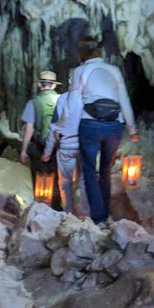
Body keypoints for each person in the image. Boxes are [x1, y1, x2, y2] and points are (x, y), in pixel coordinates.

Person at [48, 37, 139, 226]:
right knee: (105, 171)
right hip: (114, 126)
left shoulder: (80, 70)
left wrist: (60, 127)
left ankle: (99, 219)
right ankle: (105, 213)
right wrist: (132, 129)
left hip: (91, 126)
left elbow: (72, 104)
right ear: (98, 52)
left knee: (90, 172)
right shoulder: (114, 70)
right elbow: (124, 100)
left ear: (81, 53)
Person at [42, 77, 89, 219]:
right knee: (85, 181)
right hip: (85, 147)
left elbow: (54, 127)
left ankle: (69, 213)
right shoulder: (89, 99)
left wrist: (47, 151)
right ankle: (87, 214)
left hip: (66, 147)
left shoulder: (62, 99)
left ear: (69, 80)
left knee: (66, 182)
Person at [19, 70, 60, 174]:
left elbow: (29, 130)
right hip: (59, 144)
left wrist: (24, 150)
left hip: (39, 144)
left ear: (38, 84)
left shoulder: (33, 103)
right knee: (56, 175)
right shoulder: (62, 100)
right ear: (54, 85)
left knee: (38, 173)